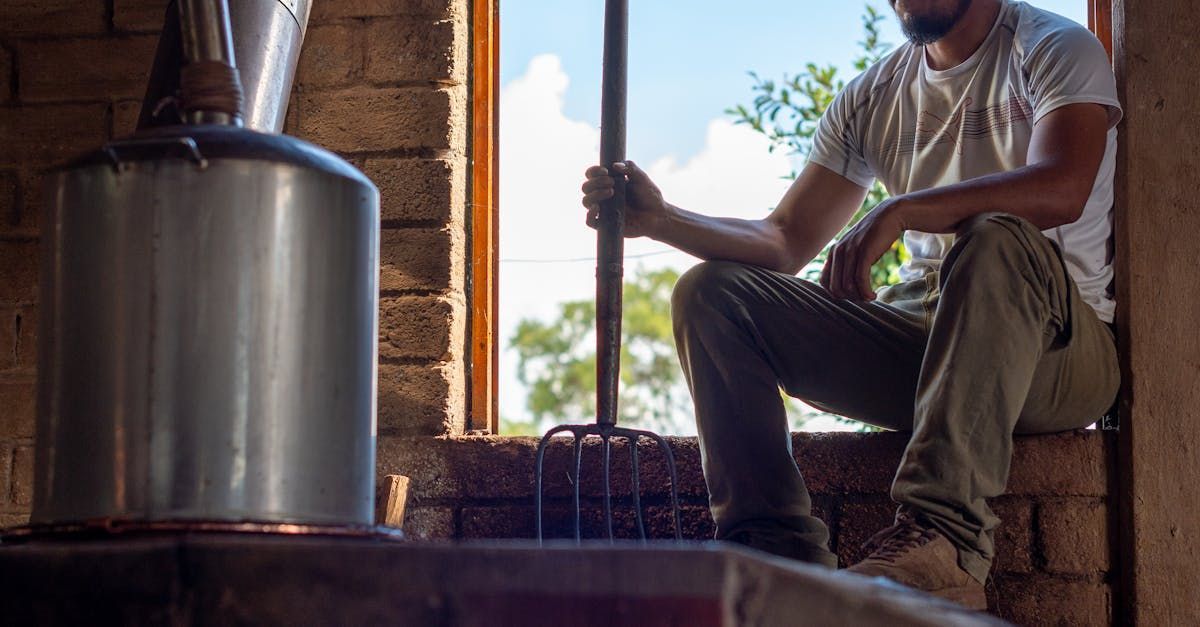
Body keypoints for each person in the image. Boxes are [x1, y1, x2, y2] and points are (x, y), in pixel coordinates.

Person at [579, 0, 1120, 610]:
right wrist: (662, 219)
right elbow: (783, 241)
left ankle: (945, 540)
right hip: (930, 349)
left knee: (994, 236)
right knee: (713, 294)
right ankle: (775, 557)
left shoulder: (1053, 47)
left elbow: (1063, 184)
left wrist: (903, 207)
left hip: (1059, 351)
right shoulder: (876, 96)